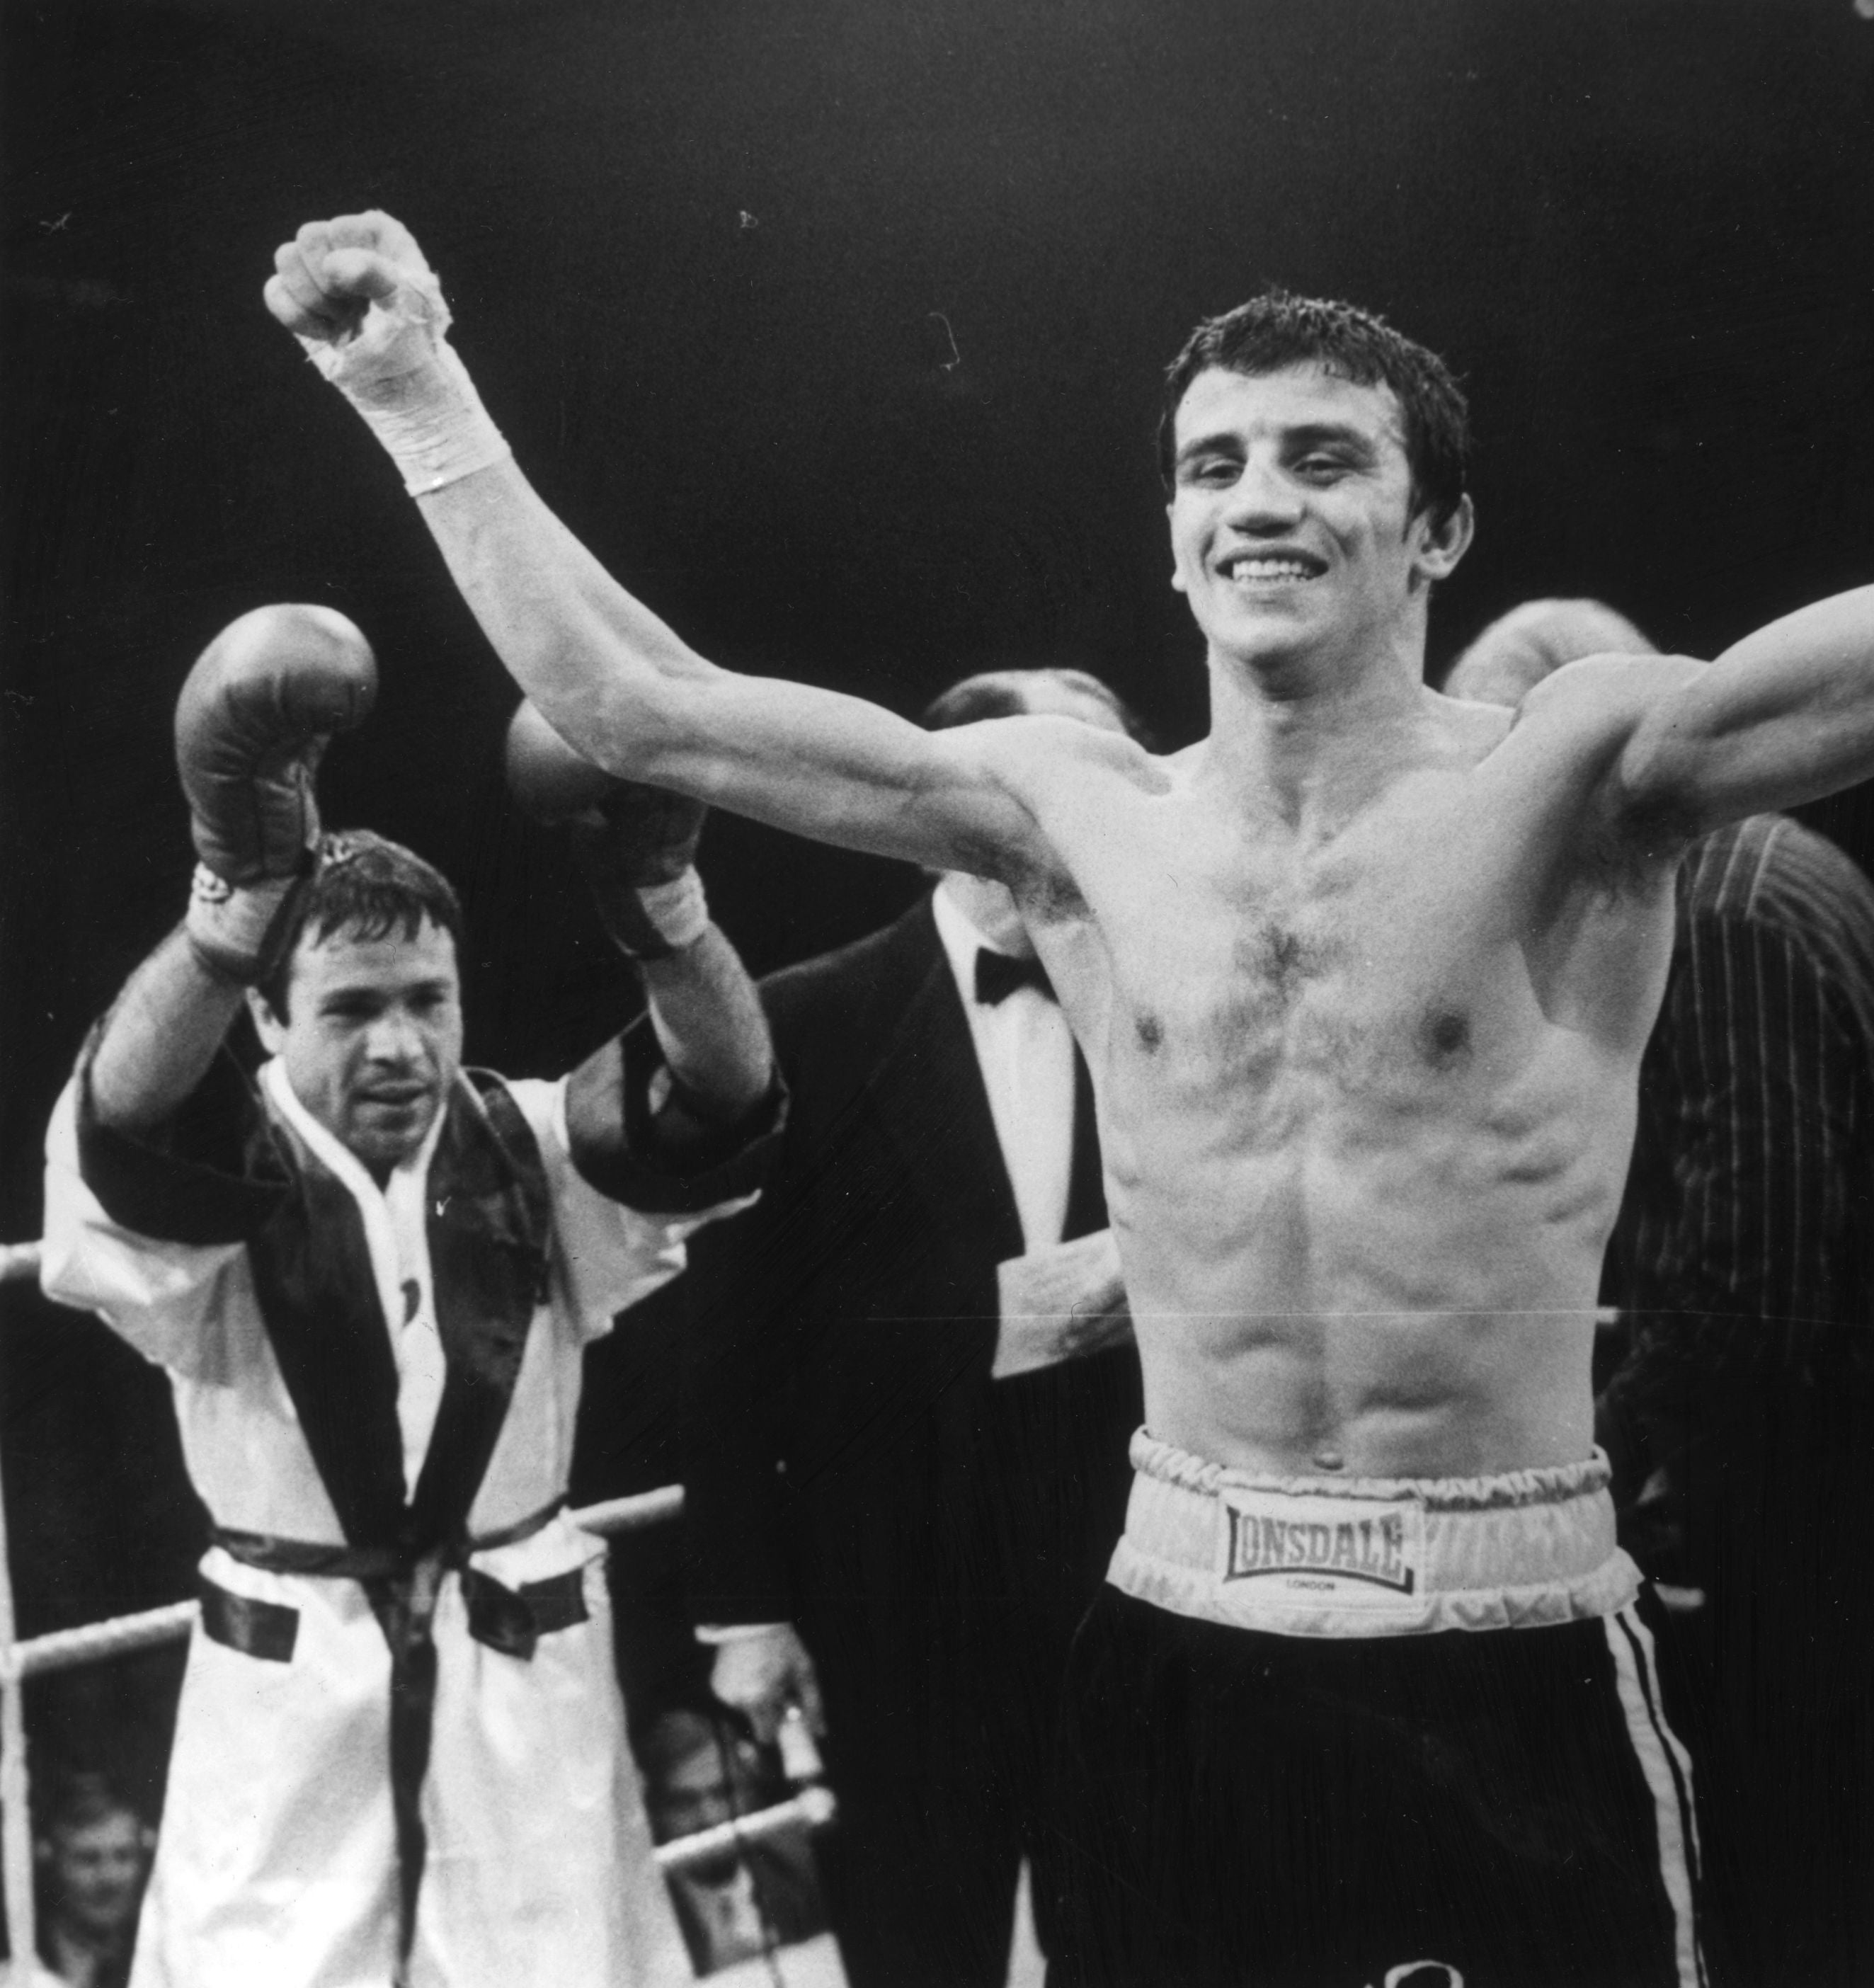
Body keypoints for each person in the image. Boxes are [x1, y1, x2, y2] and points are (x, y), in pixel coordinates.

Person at [262, 17, 1874, 1980]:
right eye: (1212, 465)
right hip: (1179, 1629)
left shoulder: (1581, 778)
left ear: (1432, 527)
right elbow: (634, 703)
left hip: (1505, 1642)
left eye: (1317, 457)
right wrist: (412, 385)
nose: (1257, 498)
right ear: (1169, 534)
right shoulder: (1062, 808)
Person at [40, 606, 782, 1988]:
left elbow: (715, 1108)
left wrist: (665, 909)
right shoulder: (219, 1167)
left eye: (426, 1002)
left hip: (521, 1687)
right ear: (268, 1019)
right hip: (294, 1699)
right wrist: (231, 910)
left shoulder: (524, 1141)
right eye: (351, 1006)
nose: (399, 1044)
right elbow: (123, 1147)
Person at [1446, 597, 1874, 1987]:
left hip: (1837, 1506)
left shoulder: (1720, 914)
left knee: (1807, 1907)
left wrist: (1620, 1508)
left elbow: (1747, 1288)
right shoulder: (1755, 877)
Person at [682, 668, 1145, 1987]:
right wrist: (743, 1611)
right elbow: (729, 1339)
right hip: (892, 1590)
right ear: (927, 806)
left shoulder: (1181, 1004)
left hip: (1132, 1582)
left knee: (1142, 1943)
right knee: (912, 1951)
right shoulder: (799, 1020)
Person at [639, 1708, 830, 1977]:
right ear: (654, 1811)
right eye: (683, 1802)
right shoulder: (643, 1915)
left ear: (747, 1792)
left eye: (723, 1793)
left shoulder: (798, 1874)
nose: (710, 1817)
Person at [33, 1774, 151, 1988]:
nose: (110, 1878)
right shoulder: (20, 1956)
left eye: (124, 1856)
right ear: (51, 1863)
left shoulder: (157, 1952)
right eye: (88, 1859)